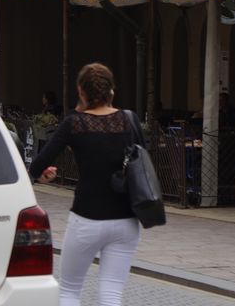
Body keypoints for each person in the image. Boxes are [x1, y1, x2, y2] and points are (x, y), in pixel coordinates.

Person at [29, 63, 141, 306]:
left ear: (81, 91)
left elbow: (37, 165)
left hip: (87, 217)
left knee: (69, 290)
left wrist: (43, 174)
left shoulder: (75, 123)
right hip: (126, 219)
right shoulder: (129, 121)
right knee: (111, 291)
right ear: (112, 90)